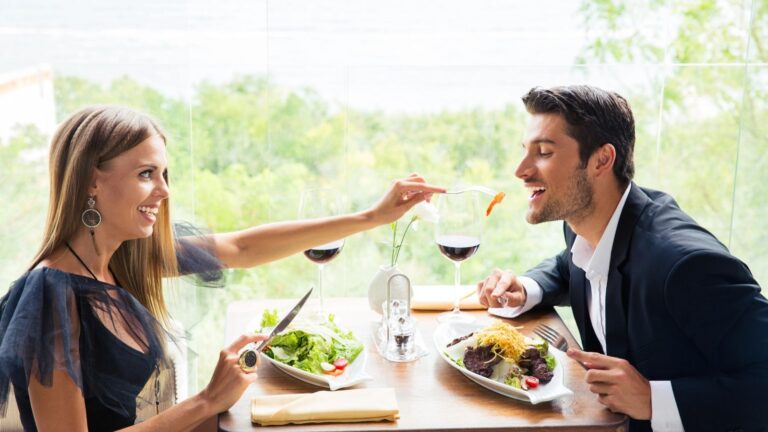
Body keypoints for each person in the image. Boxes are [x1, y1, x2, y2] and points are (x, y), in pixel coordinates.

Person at [0, 105, 444, 431]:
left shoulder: (119, 257)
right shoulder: (51, 296)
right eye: (146, 174)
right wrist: (209, 399)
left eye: (165, 174)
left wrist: (369, 217)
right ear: (92, 180)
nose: (164, 191)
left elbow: (240, 247)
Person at [477, 85, 768, 432]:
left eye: (543, 152)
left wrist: (652, 399)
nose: (521, 170)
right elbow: (569, 264)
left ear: (602, 160)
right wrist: (526, 288)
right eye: (525, 151)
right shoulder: (587, 224)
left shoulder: (687, 266)